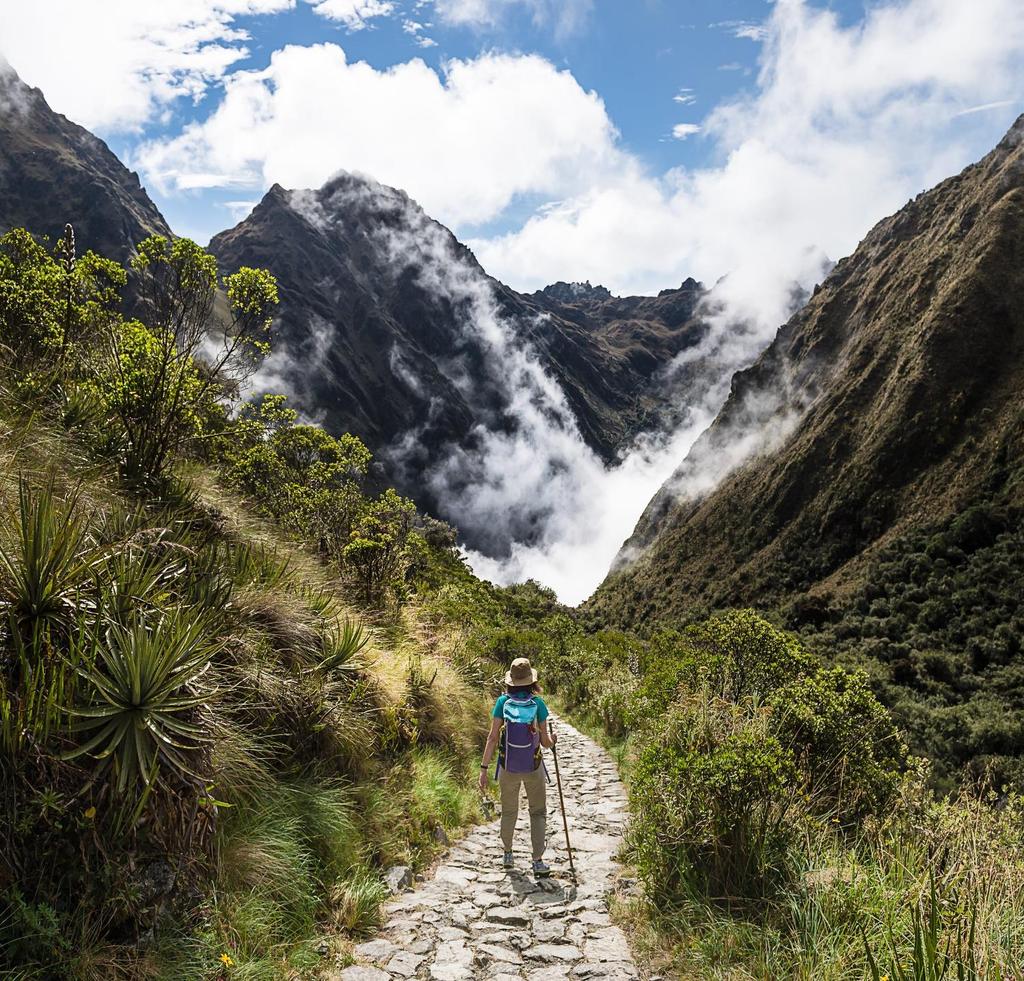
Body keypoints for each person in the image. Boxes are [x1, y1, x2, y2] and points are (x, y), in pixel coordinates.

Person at [478, 656, 557, 877]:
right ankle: (537, 861)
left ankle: (508, 854)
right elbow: (545, 743)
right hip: (533, 766)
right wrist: (553, 739)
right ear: (531, 680)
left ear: (511, 680)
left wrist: (484, 768)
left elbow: (492, 738)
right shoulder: (538, 704)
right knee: (538, 812)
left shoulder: (502, 703)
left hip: (508, 766)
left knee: (510, 811)